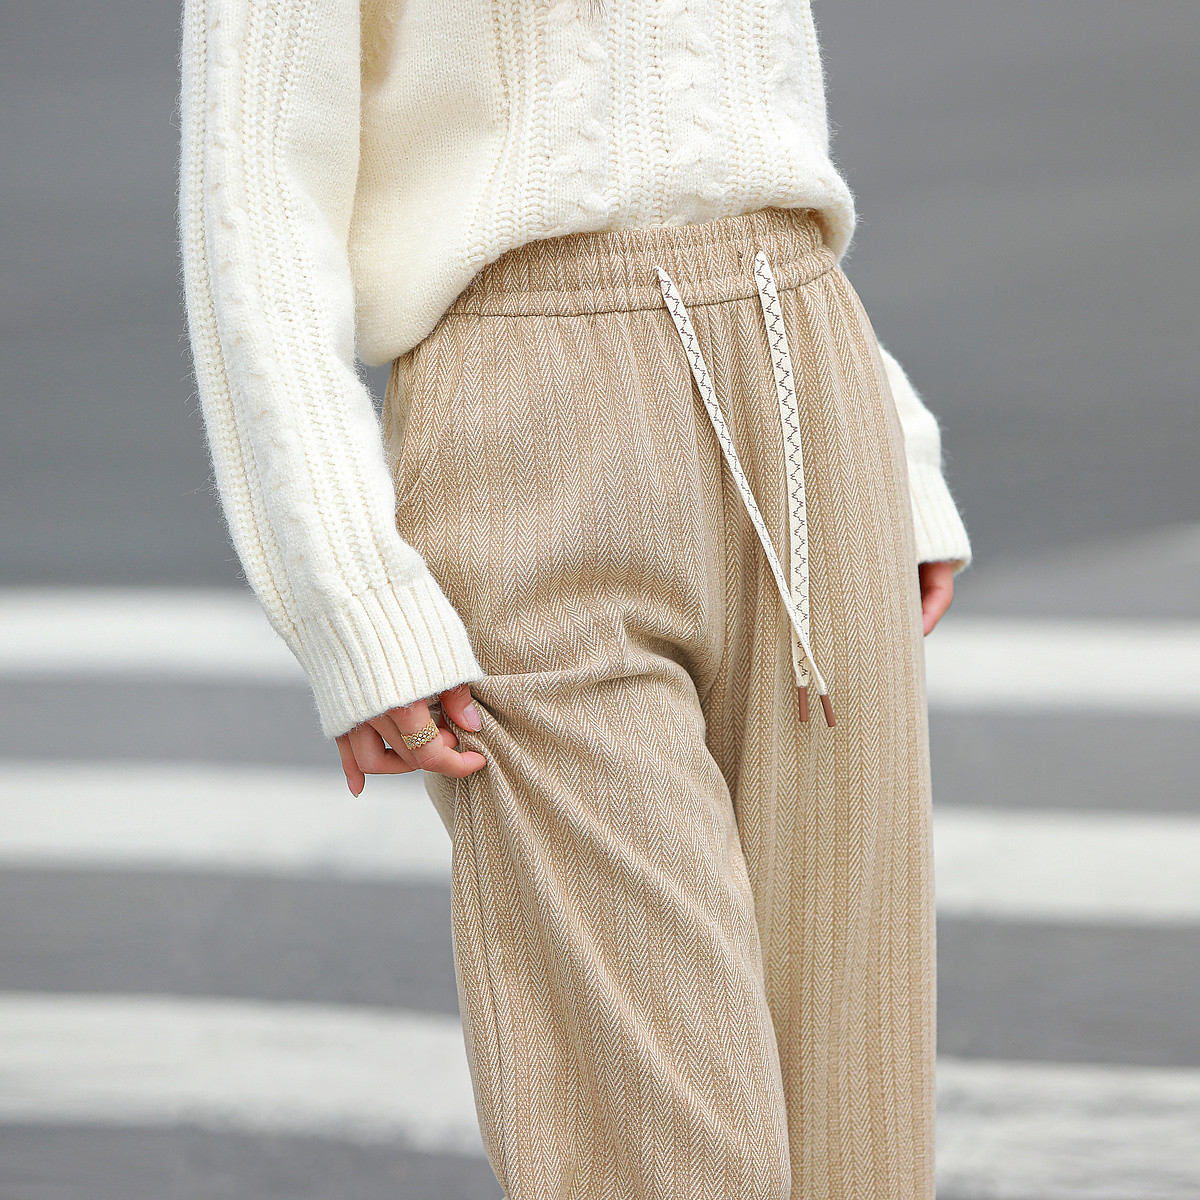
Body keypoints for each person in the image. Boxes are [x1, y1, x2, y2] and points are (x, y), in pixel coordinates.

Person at [179, 0, 972, 1195]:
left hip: (808, 373)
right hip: (524, 420)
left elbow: (750, 98)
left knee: (854, 1135)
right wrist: (347, 589)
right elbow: (256, 194)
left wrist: (891, 433)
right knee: (661, 1148)